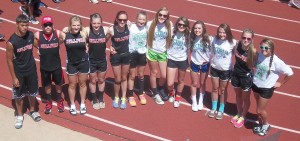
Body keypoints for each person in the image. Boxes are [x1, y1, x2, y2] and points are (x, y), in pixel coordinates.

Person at [252, 38, 293, 136]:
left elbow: (290, 73)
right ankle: (261, 123)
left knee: (260, 110)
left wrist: (281, 83)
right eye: (261, 47)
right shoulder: (261, 54)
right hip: (256, 85)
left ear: (272, 49)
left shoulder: (277, 61)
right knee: (258, 107)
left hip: (266, 89)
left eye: (266, 48)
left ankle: (266, 125)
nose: (263, 49)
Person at [6, 14, 41, 129]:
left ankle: (32, 111)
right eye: (22, 25)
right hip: (19, 73)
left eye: (27, 25)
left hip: (31, 70)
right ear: (17, 24)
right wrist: (14, 77)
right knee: (19, 96)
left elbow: (38, 45)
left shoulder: (30, 35)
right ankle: (20, 115)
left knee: (32, 93)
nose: (25, 27)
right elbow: (9, 61)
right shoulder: (11, 42)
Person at [33, 16, 65, 114]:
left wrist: (58, 42)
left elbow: (64, 37)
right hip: (44, 67)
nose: (48, 27)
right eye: (45, 25)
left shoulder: (57, 33)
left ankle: (59, 100)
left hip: (56, 66)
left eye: (49, 25)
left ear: (52, 26)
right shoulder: (38, 35)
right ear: (42, 26)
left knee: (58, 84)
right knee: (46, 85)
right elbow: (34, 43)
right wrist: (38, 48)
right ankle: (48, 101)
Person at [60, 15, 89, 115]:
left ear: (80, 25)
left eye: (78, 25)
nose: (76, 27)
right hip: (71, 64)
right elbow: (57, 40)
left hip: (83, 62)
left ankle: (82, 104)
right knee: (72, 85)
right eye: (74, 25)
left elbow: (98, 29)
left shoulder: (84, 32)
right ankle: (72, 104)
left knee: (82, 84)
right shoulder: (65, 34)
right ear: (70, 25)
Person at [208, 23, 237, 120]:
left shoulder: (233, 42)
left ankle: (221, 109)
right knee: (215, 88)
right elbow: (212, 52)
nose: (222, 34)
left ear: (228, 33)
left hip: (225, 70)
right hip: (214, 68)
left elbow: (236, 54)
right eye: (220, 32)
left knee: (223, 90)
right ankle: (213, 108)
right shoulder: (214, 40)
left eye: (224, 32)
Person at [146, 7, 172, 104]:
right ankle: (155, 92)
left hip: (162, 52)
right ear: (157, 14)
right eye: (160, 14)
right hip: (152, 51)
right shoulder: (150, 24)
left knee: (164, 75)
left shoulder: (169, 25)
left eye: (164, 15)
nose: (162, 17)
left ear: (167, 17)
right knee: (154, 72)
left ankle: (160, 87)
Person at [230, 29, 255, 128]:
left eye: (248, 38)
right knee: (238, 95)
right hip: (236, 74)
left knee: (246, 98)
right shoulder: (237, 45)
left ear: (252, 39)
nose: (246, 40)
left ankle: (243, 117)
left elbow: (256, 66)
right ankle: (239, 113)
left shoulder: (253, 52)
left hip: (246, 77)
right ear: (241, 37)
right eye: (244, 37)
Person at [106, 11, 130, 109]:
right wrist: (110, 48)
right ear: (116, 19)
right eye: (120, 19)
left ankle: (123, 98)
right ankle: (116, 97)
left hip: (126, 55)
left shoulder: (129, 27)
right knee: (117, 79)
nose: (122, 21)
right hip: (115, 56)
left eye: (124, 20)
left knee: (124, 78)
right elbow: (104, 40)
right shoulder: (112, 30)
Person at [86, 13, 109, 109]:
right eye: (94, 23)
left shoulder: (106, 30)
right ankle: (94, 99)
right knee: (92, 80)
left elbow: (117, 28)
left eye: (98, 23)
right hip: (91, 60)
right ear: (91, 23)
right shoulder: (87, 30)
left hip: (102, 60)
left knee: (101, 80)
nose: (96, 25)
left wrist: (128, 24)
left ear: (101, 23)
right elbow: (74, 29)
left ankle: (101, 97)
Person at [166, 16, 190, 108]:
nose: (181, 26)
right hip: (171, 59)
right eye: (179, 24)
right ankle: (172, 93)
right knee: (169, 83)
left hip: (182, 60)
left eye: (183, 25)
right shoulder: (171, 31)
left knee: (181, 80)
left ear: (186, 26)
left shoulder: (189, 35)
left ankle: (178, 97)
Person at [189, 21, 212, 112]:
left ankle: (200, 100)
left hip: (205, 64)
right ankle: (194, 101)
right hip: (194, 63)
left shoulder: (209, 39)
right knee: (194, 83)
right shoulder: (191, 39)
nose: (197, 30)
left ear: (203, 29)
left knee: (202, 83)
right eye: (195, 28)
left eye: (199, 28)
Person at [127, 11, 148, 106]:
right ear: (136, 19)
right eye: (140, 19)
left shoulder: (147, 28)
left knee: (141, 74)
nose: (141, 21)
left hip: (142, 54)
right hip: (132, 53)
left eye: (144, 19)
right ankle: (130, 95)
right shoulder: (131, 26)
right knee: (132, 75)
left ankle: (140, 93)